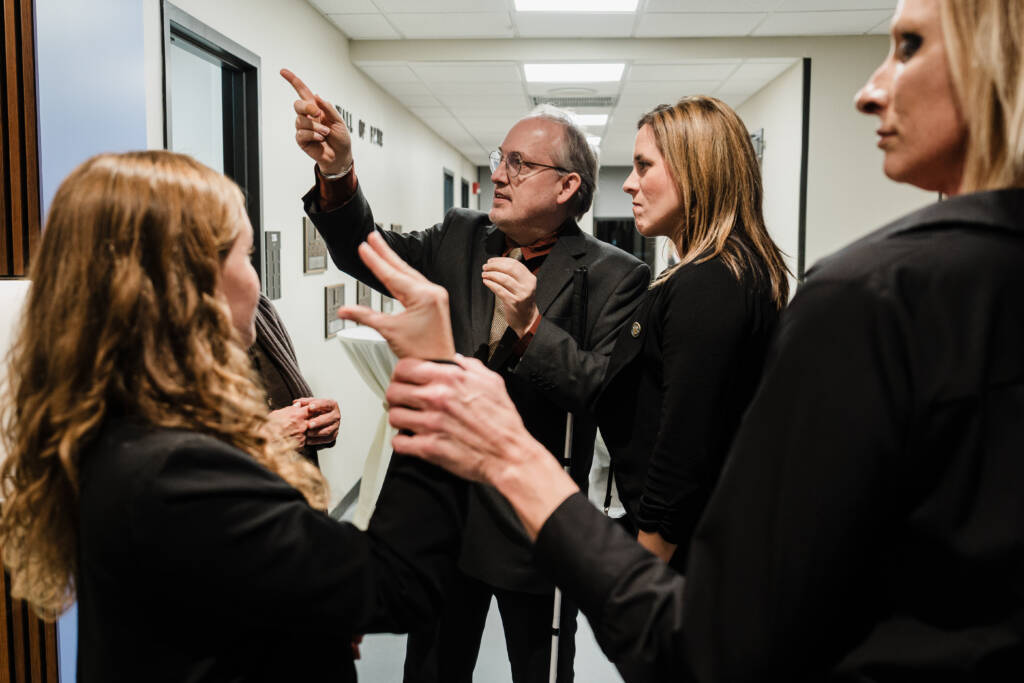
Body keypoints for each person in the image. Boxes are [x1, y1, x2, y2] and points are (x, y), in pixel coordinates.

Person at [340, 0, 1024, 679]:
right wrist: (339, 175)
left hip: (606, 547)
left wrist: (624, 552)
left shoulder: (782, 289)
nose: (630, 185)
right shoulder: (472, 237)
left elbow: (668, 440)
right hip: (471, 526)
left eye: (907, 47)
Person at [0, 151, 467, 683]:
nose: (256, 282)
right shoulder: (178, 468)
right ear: (187, 285)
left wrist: (304, 619)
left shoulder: (119, 426)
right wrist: (433, 376)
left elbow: (213, 596)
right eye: (247, 258)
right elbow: (396, 584)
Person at [283, 69, 650, 683]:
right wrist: (338, 171)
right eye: (498, 158)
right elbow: (362, 248)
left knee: (537, 669)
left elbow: (602, 391)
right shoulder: (459, 236)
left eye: (519, 163)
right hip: (439, 515)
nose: (499, 174)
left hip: (529, 523)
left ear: (567, 186)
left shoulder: (616, 275)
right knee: (429, 669)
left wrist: (533, 327)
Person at [595, 97, 789, 571]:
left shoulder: (711, 283)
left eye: (644, 166)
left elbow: (684, 447)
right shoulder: (723, 271)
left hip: (693, 557)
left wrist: (644, 579)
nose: (628, 183)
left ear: (695, 171)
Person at [251, 293, 340, 465]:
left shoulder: (261, 310)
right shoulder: (187, 334)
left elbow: (284, 399)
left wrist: (317, 423)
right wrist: (258, 438)